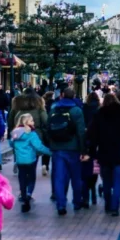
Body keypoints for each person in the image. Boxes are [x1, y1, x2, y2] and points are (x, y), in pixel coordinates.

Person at [43, 87, 86, 216]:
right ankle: (77, 202)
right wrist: (83, 149)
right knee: (76, 177)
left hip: (57, 148)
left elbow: (48, 128)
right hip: (73, 148)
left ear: (61, 95)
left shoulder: (54, 109)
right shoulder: (77, 110)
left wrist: (52, 143)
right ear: (74, 97)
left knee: (59, 177)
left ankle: (61, 204)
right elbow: (81, 131)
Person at [88, 93, 120, 216]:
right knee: (118, 181)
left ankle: (107, 204)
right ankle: (115, 206)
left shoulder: (99, 114)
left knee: (106, 180)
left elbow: (92, 134)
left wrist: (92, 150)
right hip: (119, 153)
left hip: (104, 152)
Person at [10, 113, 51, 212]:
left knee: (22, 177)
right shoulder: (31, 134)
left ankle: (23, 195)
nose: (33, 122)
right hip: (31, 160)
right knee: (31, 177)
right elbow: (39, 147)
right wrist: (51, 152)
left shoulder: (15, 133)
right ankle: (28, 194)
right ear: (26, 122)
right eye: (32, 121)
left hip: (20, 160)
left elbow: (11, 143)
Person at [82, 93, 102, 207]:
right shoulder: (99, 110)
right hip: (96, 145)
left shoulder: (84, 108)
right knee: (95, 167)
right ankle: (93, 191)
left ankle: (85, 196)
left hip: (86, 142)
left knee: (84, 171)